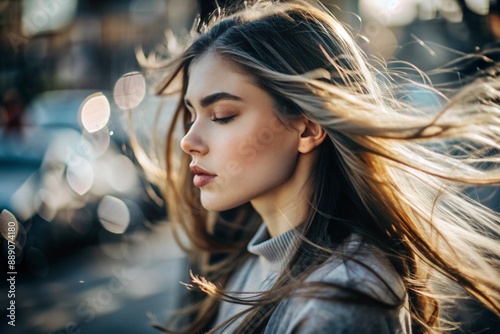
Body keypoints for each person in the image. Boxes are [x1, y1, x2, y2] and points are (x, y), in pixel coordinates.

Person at [132, 1, 500, 333]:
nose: (188, 140)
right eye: (193, 114)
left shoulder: (341, 303)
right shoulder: (245, 262)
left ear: (307, 127)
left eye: (222, 115)